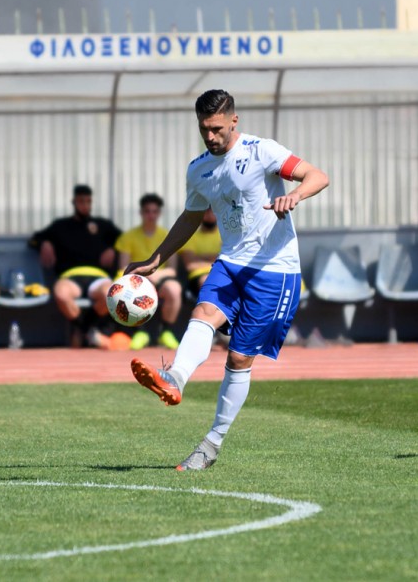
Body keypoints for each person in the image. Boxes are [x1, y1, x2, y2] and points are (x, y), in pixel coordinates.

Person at [126, 89, 329, 471]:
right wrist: (157, 258)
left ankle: (211, 444)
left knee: (238, 358)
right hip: (231, 262)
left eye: (217, 128)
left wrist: (295, 195)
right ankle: (174, 378)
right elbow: (190, 217)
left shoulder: (262, 151)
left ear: (234, 121)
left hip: (275, 269)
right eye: (204, 129)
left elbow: (318, 176)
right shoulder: (198, 169)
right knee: (202, 312)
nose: (210, 136)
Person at [30, 184, 121, 348]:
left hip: (98, 277)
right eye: (81, 201)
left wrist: (114, 249)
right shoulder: (60, 226)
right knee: (61, 294)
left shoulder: (103, 225)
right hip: (70, 277)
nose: (85, 205)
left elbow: (125, 241)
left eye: (88, 201)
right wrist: (44, 243)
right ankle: (89, 331)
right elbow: (34, 240)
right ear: (74, 202)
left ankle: (81, 329)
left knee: (113, 294)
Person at [114, 193, 183, 351]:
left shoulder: (167, 236)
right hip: (135, 282)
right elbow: (123, 268)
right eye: (147, 211)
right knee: (129, 294)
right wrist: (142, 277)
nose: (151, 215)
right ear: (141, 212)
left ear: (159, 213)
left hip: (160, 279)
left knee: (174, 289)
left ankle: (166, 332)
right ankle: (140, 332)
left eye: (154, 211)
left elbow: (172, 270)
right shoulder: (128, 237)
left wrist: (154, 275)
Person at [178, 206, 222, 295]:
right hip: (198, 276)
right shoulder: (189, 237)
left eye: (212, 211)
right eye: (206, 212)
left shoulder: (224, 236)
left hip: (222, 273)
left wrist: (200, 257)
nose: (210, 215)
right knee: (209, 281)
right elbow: (191, 265)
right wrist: (216, 258)